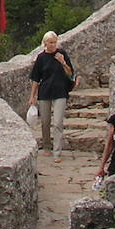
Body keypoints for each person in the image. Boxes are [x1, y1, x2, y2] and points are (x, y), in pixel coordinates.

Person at [27, 31, 77, 161]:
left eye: (55, 42)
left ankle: (57, 152)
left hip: (60, 91)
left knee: (58, 122)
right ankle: (47, 146)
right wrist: (32, 96)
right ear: (45, 43)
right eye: (50, 42)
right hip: (45, 92)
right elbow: (36, 78)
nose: (53, 45)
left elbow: (70, 73)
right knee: (45, 122)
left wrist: (63, 62)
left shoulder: (62, 54)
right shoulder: (41, 58)